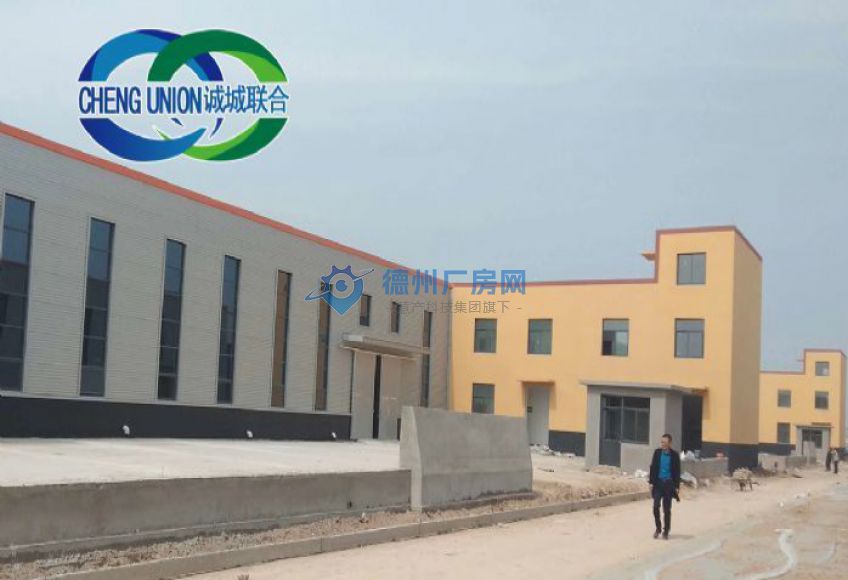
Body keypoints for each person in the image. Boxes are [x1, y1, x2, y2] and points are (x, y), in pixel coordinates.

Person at [649, 433, 681, 540]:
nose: (662, 444)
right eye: (661, 442)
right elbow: (653, 467)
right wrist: (651, 483)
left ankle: (666, 530)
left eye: (664, 442)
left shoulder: (674, 455)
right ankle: (658, 528)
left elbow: (677, 471)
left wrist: (677, 486)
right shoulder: (657, 453)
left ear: (669, 443)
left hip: (668, 485)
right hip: (658, 483)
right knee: (655, 506)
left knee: (667, 509)